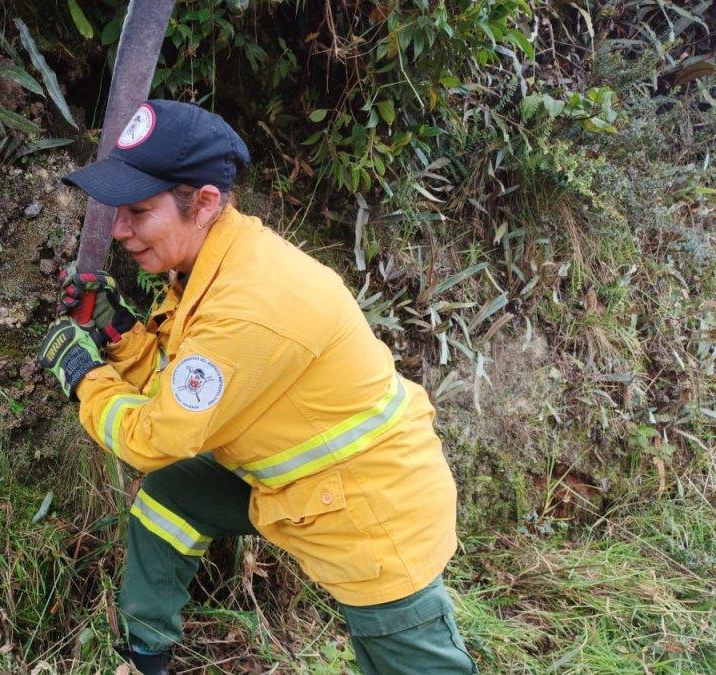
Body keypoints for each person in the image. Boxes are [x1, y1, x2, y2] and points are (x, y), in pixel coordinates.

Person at [37, 100, 478, 675]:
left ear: (203, 204)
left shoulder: (248, 305)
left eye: (138, 212)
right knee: (174, 498)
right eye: (118, 211)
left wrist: (84, 378)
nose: (119, 229)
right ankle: (147, 658)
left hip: (373, 515)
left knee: (402, 659)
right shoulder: (208, 267)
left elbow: (154, 437)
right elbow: (185, 383)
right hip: (302, 488)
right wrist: (120, 336)